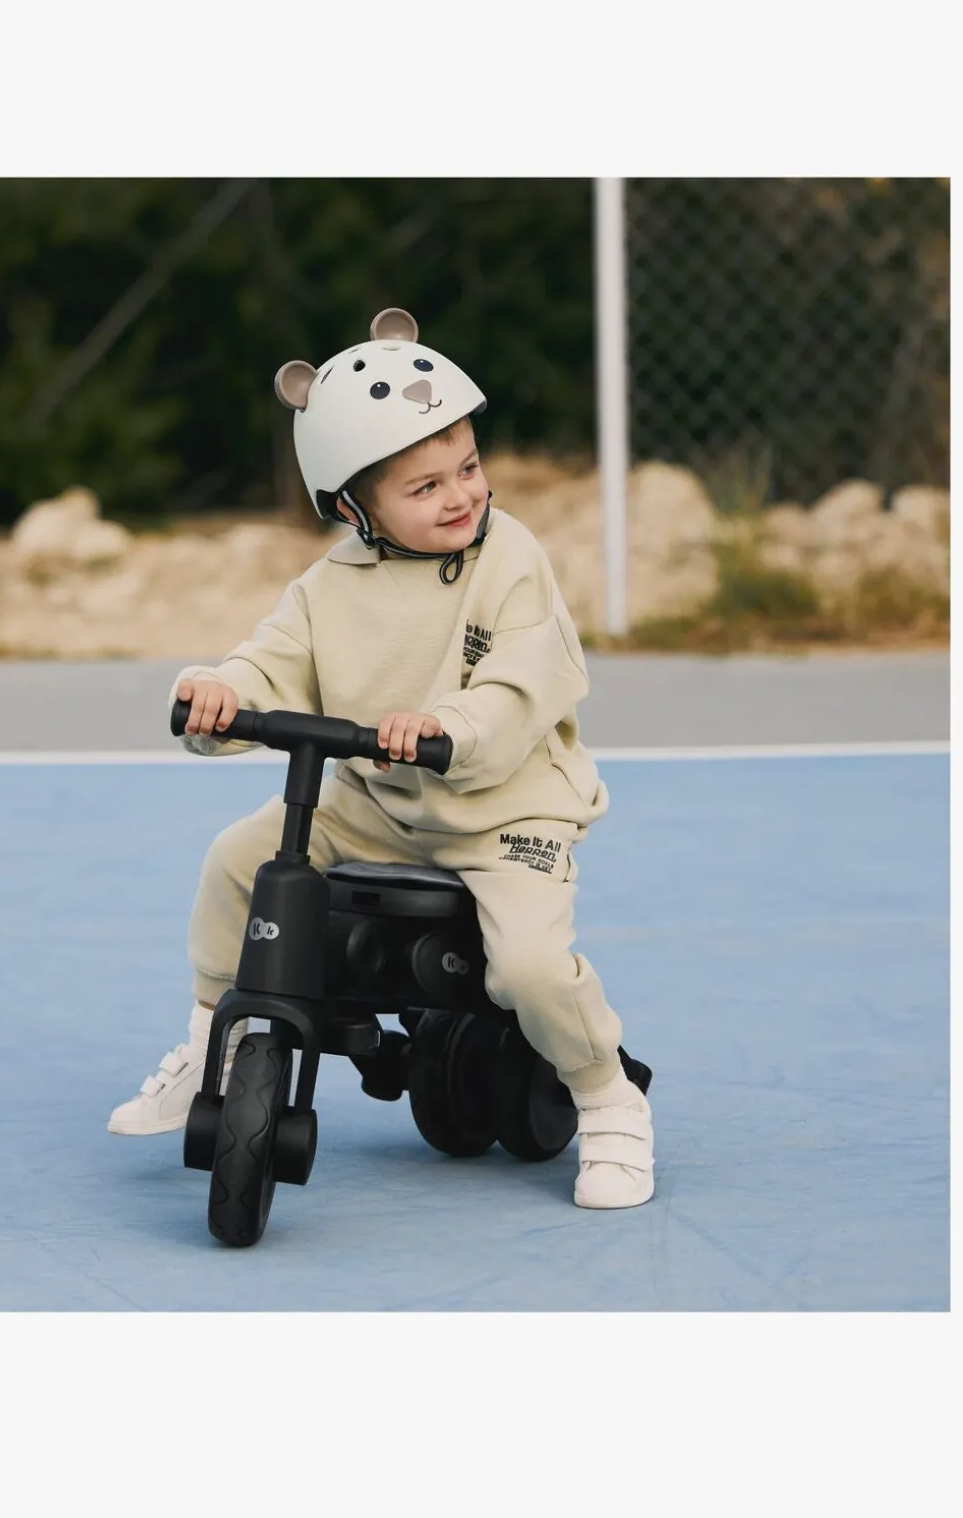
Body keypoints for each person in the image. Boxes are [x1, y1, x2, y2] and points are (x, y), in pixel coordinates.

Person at [108, 307, 654, 1209]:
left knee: (524, 965)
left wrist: (447, 725)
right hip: (377, 803)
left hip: (506, 810)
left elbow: (520, 687)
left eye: (468, 467)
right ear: (353, 508)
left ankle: (606, 1096)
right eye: (425, 485)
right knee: (239, 861)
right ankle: (213, 1040)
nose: (461, 496)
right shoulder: (327, 588)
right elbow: (269, 665)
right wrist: (219, 696)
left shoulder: (510, 559)